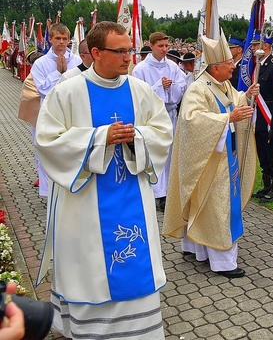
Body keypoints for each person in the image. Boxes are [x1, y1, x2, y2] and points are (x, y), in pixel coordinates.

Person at [34, 21, 173, 339]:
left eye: (130, 51)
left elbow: (162, 131)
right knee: (90, 268)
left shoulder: (139, 90)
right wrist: (99, 138)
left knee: (135, 267)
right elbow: (48, 141)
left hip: (132, 195)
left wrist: (134, 137)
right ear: (96, 52)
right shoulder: (68, 91)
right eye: (120, 51)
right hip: (86, 202)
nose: (128, 58)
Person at [163, 34, 258, 278]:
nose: (233, 67)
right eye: (229, 64)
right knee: (216, 206)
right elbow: (191, 120)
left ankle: (198, 249)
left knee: (212, 205)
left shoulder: (222, 84)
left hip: (226, 156)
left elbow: (233, 102)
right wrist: (227, 119)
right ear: (215, 68)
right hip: (209, 161)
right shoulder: (198, 88)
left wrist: (247, 95)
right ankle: (224, 262)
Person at [132, 31, 186, 210]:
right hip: (151, 118)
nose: (164, 49)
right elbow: (138, 94)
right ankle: (154, 191)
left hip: (169, 115)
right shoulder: (141, 69)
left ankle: (167, 193)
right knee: (155, 152)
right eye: (161, 46)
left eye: (166, 46)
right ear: (152, 46)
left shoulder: (172, 66)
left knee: (170, 153)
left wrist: (172, 87)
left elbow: (182, 85)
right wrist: (159, 87)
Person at [29, 23, 82, 197]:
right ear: (50, 39)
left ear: (69, 40)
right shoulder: (40, 63)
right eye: (57, 38)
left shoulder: (76, 61)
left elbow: (81, 85)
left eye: (64, 39)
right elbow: (43, 89)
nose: (61, 42)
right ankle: (49, 192)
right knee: (46, 153)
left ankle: (72, 187)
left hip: (73, 111)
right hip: (48, 112)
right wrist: (58, 73)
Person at [249, 31, 273, 203]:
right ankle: (266, 185)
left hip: (270, 116)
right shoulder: (258, 66)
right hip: (259, 116)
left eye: (256, 45)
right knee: (262, 152)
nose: (252, 47)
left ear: (266, 46)